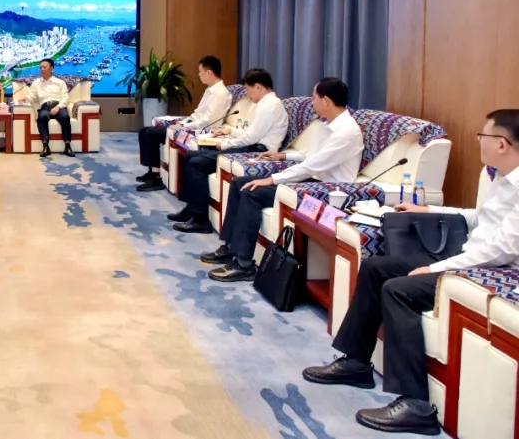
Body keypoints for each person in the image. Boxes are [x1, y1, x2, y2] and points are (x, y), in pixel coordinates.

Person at [302, 108, 519, 435]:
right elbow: (481, 217)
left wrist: (434, 268)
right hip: (470, 256)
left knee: (399, 289)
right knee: (375, 268)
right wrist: (428, 208)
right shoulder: (501, 176)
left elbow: (501, 250)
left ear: (502, 144)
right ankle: (356, 362)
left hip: (493, 269)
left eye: (483, 135)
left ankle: (416, 406)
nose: (479, 141)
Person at [202, 77, 363, 282]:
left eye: (314, 97)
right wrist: (283, 156)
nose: (312, 102)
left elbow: (311, 166)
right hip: (310, 179)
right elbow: (309, 154)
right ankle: (230, 246)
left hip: (324, 189)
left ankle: (243, 264)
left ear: (326, 101)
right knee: (239, 183)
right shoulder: (329, 124)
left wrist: (272, 179)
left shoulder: (346, 132)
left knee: (252, 192)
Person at [172, 68, 288, 233]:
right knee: (190, 156)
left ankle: (200, 219)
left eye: (247, 89)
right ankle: (191, 209)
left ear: (258, 87)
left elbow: (250, 138)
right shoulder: (266, 104)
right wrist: (230, 131)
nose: (247, 94)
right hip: (252, 145)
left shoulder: (268, 106)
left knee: (197, 163)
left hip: (258, 151)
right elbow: (251, 133)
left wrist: (225, 144)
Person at [137, 56, 232, 192]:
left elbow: (208, 121)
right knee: (144, 131)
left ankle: (156, 178)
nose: (199, 75)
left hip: (201, 131)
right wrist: (182, 122)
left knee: (151, 134)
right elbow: (197, 114)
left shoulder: (220, 94)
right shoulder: (210, 90)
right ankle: (152, 172)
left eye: (200, 72)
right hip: (192, 125)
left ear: (209, 72)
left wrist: (184, 126)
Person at [26, 58, 74, 157]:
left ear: (51, 68)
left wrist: (58, 107)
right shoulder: (36, 83)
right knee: (41, 117)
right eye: (41, 68)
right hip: (45, 106)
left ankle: (67, 146)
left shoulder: (60, 82)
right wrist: (25, 99)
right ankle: (45, 146)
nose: (42, 69)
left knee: (65, 117)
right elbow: (32, 97)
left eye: (44, 67)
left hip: (59, 106)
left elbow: (66, 98)